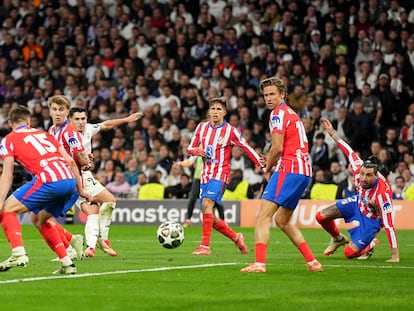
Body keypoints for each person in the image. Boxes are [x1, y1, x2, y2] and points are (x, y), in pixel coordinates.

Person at [241, 77, 322, 273]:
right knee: (282, 220)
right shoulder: (291, 114)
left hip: (290, 169)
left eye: (272, 94)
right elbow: (286, 148)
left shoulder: (277, 114)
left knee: (262, 216)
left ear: (282, 95)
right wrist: (272, 160)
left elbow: (277, 147)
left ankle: (259, 263)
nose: (268, 98)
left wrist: (268, 168)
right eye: (266, 95)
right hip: (304, 171)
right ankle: (313, 262)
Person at [0, 105, 90, 274]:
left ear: (10, 123)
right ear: (28, 121)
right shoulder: (45, 134)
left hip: (49, 178)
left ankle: (18, 253)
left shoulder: (8, 140)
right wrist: (81, 190)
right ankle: (66, 263)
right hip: (69, 180)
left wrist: (0, 201)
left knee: (7, 210)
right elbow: (71, 162)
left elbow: (7, 174)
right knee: (39, 219)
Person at [187, 97, 265, 255]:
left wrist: (262, 165)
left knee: (207, 204)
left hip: (221, 174)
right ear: (209, 111)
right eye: (213, 109)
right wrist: (196, 151)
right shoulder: (201, 127)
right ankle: (237, 238)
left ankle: (204, 246)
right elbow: (190, 147)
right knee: (210, 217)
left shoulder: (231, 131)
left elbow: (247, 148)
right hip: (205, 175)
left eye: (218, 109)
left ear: (224, 112)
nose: (215, 112)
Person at [315, 117, 399, 262]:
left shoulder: (382, 194)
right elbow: (348, 151)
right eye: (362, 174)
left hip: (371, 219)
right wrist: (333, 134)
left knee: (349, 254)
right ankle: (337, 238)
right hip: (358, 203)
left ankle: (369, 244)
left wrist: (395, 255)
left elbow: (389, 224)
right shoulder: (358, 166)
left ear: (376, 175)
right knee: (321, 216)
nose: (364, 178)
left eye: (368, 176)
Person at [69, 107, 143, 257]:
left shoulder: (88, 129)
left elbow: (106, 124)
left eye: (83, 118)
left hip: (81, 176)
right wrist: (86, 162)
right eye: (77, 119)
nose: (81, 122)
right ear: (70, 120)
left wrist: (126, 119)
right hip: (75, 176)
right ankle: (103, 240)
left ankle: (90, 247)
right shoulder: (68, 136)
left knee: (92, 211)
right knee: (110, 200)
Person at [178, 156, 225, 227]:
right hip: (198, 178)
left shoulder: (212, 151)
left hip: (210, 178)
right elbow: (189, 161)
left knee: (216, 199)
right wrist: (180, 163)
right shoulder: (198, 152)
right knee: (192, 198)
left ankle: (223, 220)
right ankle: (188, 220)